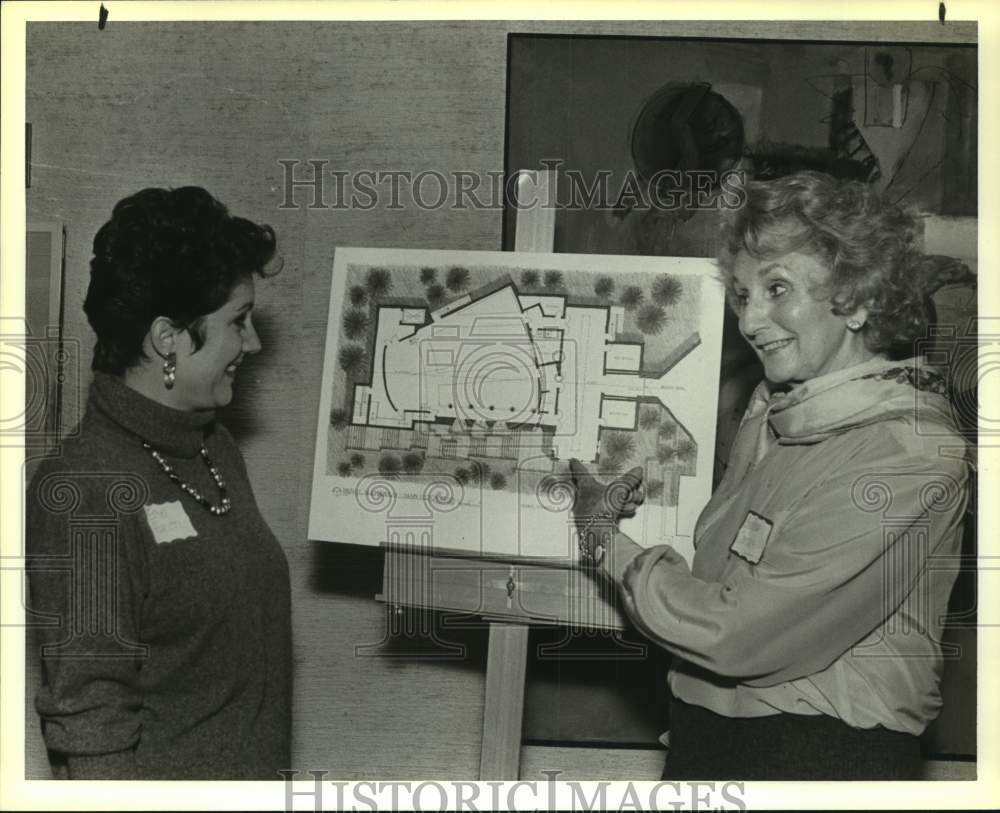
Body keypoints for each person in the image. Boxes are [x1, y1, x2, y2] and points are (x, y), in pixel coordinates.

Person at [570, 171, 971, 780]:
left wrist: (605, 538)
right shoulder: (772, 411)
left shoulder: (910, 453)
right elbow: (723, 574)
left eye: (777, 288)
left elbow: (736, 633)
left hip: (818, 760)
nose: (752, 320)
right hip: (711, 741)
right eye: (741, 294)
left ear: (858, 298)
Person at [26, 187, 291, 779]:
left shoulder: (214, 448)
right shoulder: (83, 489)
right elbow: (91, 725)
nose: (253, 343)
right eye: (238, 322)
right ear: (167, 337)